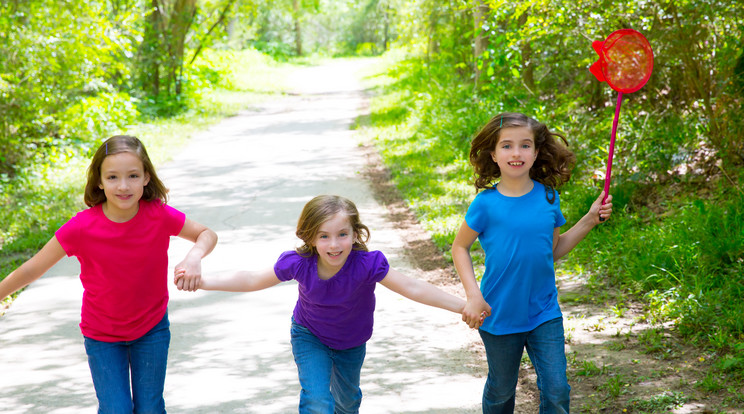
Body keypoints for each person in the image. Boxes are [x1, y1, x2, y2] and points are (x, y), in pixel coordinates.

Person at [175, 194, 467, 414]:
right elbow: (251, 279)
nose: (334, 245)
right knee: (317, 399)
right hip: (309, 335)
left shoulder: (367, 264)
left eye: (342, 234)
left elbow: (413, 287)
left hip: (352, 341)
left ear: (355, 233)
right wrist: (203, 281)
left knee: (348, 399)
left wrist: (461, 305)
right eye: (323, 236)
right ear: (310, 237)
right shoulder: (299, 264)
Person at [0, 135, 218, 413]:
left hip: (151, 329)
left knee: (150, 408)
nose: (124, 186)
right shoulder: (81, 227)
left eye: (133, 176)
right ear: (100, 181)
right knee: (116, 409)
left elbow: (206, 234)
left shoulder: (159, 215)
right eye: (113, 177)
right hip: (102, 334)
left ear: (146, 178)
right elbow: (33, 267)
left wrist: (194, 256)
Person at [451, 112, 613, 414]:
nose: (516, 153)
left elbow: (551, 249)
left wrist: (590, 220)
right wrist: (474, 295)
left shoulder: (549, 198)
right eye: (507, 146)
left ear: (536, 152)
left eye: (525, 145)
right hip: (498, 314)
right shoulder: (485, 204)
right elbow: (460, 247)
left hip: (543, 311)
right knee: (501, 391)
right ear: (494, 154)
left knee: (556, 389)